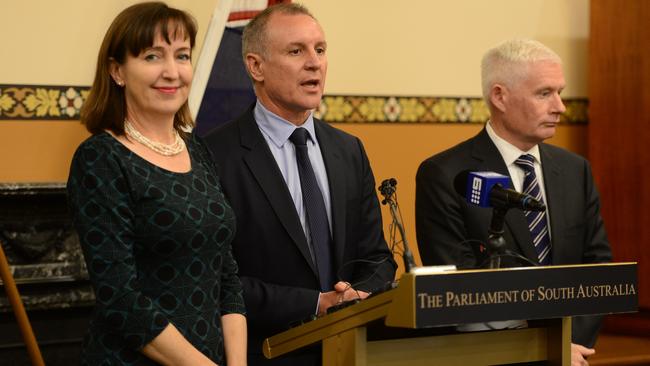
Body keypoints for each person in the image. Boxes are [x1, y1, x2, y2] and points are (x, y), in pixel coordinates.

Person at [204, 3, 396, 365]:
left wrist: (355, 295)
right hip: (266, 351)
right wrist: (316, 304)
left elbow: (377, 257)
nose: (314, 63)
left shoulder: (348, 149)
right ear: (255, 66)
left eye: (320, 50)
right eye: (296, 51)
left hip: (352, 350)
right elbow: (216, 278)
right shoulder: (214, 154)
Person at [67, 3, 246, 365]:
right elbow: (120, 298)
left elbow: (226, 275)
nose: (172, 72)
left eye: (182, 56)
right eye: (152, 56)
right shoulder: (101, 158)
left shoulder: (198, 149)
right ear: (117, 71)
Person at [415, 39, 612, 366]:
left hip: (574, 354)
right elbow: (458, 283)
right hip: (491, 355)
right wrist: (543, 348)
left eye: (560, 92)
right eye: (544, 93)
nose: (560, 106)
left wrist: (568, 343)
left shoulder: (576, 170)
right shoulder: (446, 174)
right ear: (499, 96)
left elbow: (598, 268)